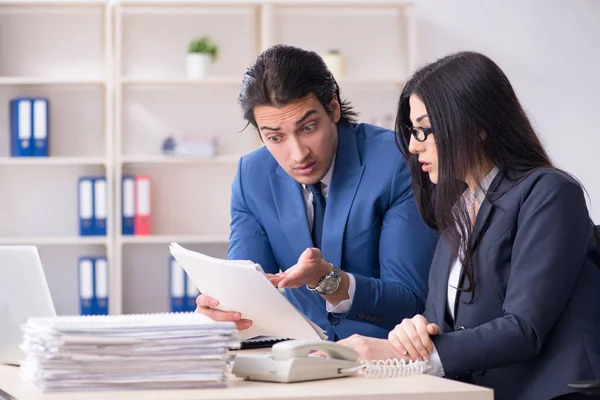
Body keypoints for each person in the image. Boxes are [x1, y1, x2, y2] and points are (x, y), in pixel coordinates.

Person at [336, 51, 600, 400]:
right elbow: (440, 326)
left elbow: (524, 329)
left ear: (476, 126)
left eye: (425, 130)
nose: (414, 146)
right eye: (413, 131)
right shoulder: (457, 216)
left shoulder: (549, 192)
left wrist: (398, 353)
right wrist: (414, 333)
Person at [194, 44, 438, 341]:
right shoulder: (252, 176)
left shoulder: (397, 161)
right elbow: (250, 290)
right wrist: (224, 309)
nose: (298, 154)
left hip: (387, 355)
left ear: (333, 108)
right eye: (275, 137)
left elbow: (410, 301)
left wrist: (330, 281)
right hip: (296, 356)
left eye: (308, 127)